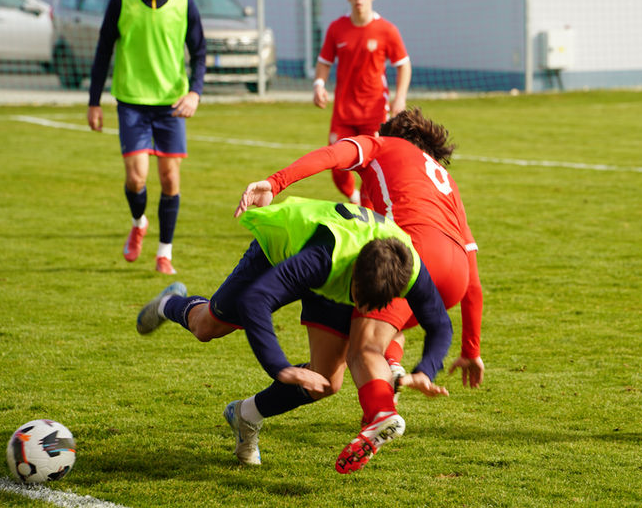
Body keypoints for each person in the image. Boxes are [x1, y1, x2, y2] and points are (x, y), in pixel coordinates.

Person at [236, 108, 484, 472]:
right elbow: (473, 279)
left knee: (362, 350)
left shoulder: (383, 145)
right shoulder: (444, 180)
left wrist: (275, 182)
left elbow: (332, 155)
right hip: (455, 272)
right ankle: (394, 371)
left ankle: (382, 412)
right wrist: (471, 349)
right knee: (390, 325)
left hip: (409, 253)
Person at [135, 196, 452, 469]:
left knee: (325, 382)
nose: (361, 307)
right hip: (282, 251)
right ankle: (169, 304)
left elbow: (439, 324)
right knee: (206, 327)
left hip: (337, 263)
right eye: (357, 296)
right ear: (353, 274)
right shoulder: (322, 259)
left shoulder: (407, 268)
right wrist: (281, 367)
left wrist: (427, 369)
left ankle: (245, 415)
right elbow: (255, 301)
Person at [87, 0, 206, 275]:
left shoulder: (184, 2)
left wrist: (195, 92)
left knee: (169, 179)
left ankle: (164, 254)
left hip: (171, 105)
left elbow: (199, 53)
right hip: (132, 102)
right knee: (136, 177)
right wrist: (94, 101)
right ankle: (139, 222)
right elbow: (103, 50)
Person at [312, 0, 411, 204]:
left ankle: (368, 220)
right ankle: (353, 198)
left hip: (374, 112)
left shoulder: (387, 30)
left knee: (371, 167)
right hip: (344, 113)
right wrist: (319, 85)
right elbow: (324, 62)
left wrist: (400, 98)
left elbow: (404, 65)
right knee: (337, 165)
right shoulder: (337, 28)